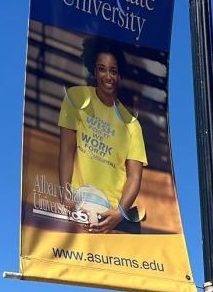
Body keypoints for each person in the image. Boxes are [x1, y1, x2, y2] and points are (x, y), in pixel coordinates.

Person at [58, 38, 147, 234]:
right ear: (94, 71)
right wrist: (65, 195)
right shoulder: (76, 98)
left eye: (113, 71)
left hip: (114, 215)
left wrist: (119, 213)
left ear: (120, 74)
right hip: (78, 206)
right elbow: (66, 150)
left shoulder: (132, 125)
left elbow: (134, 178)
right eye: (102, 69)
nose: (108, 76)